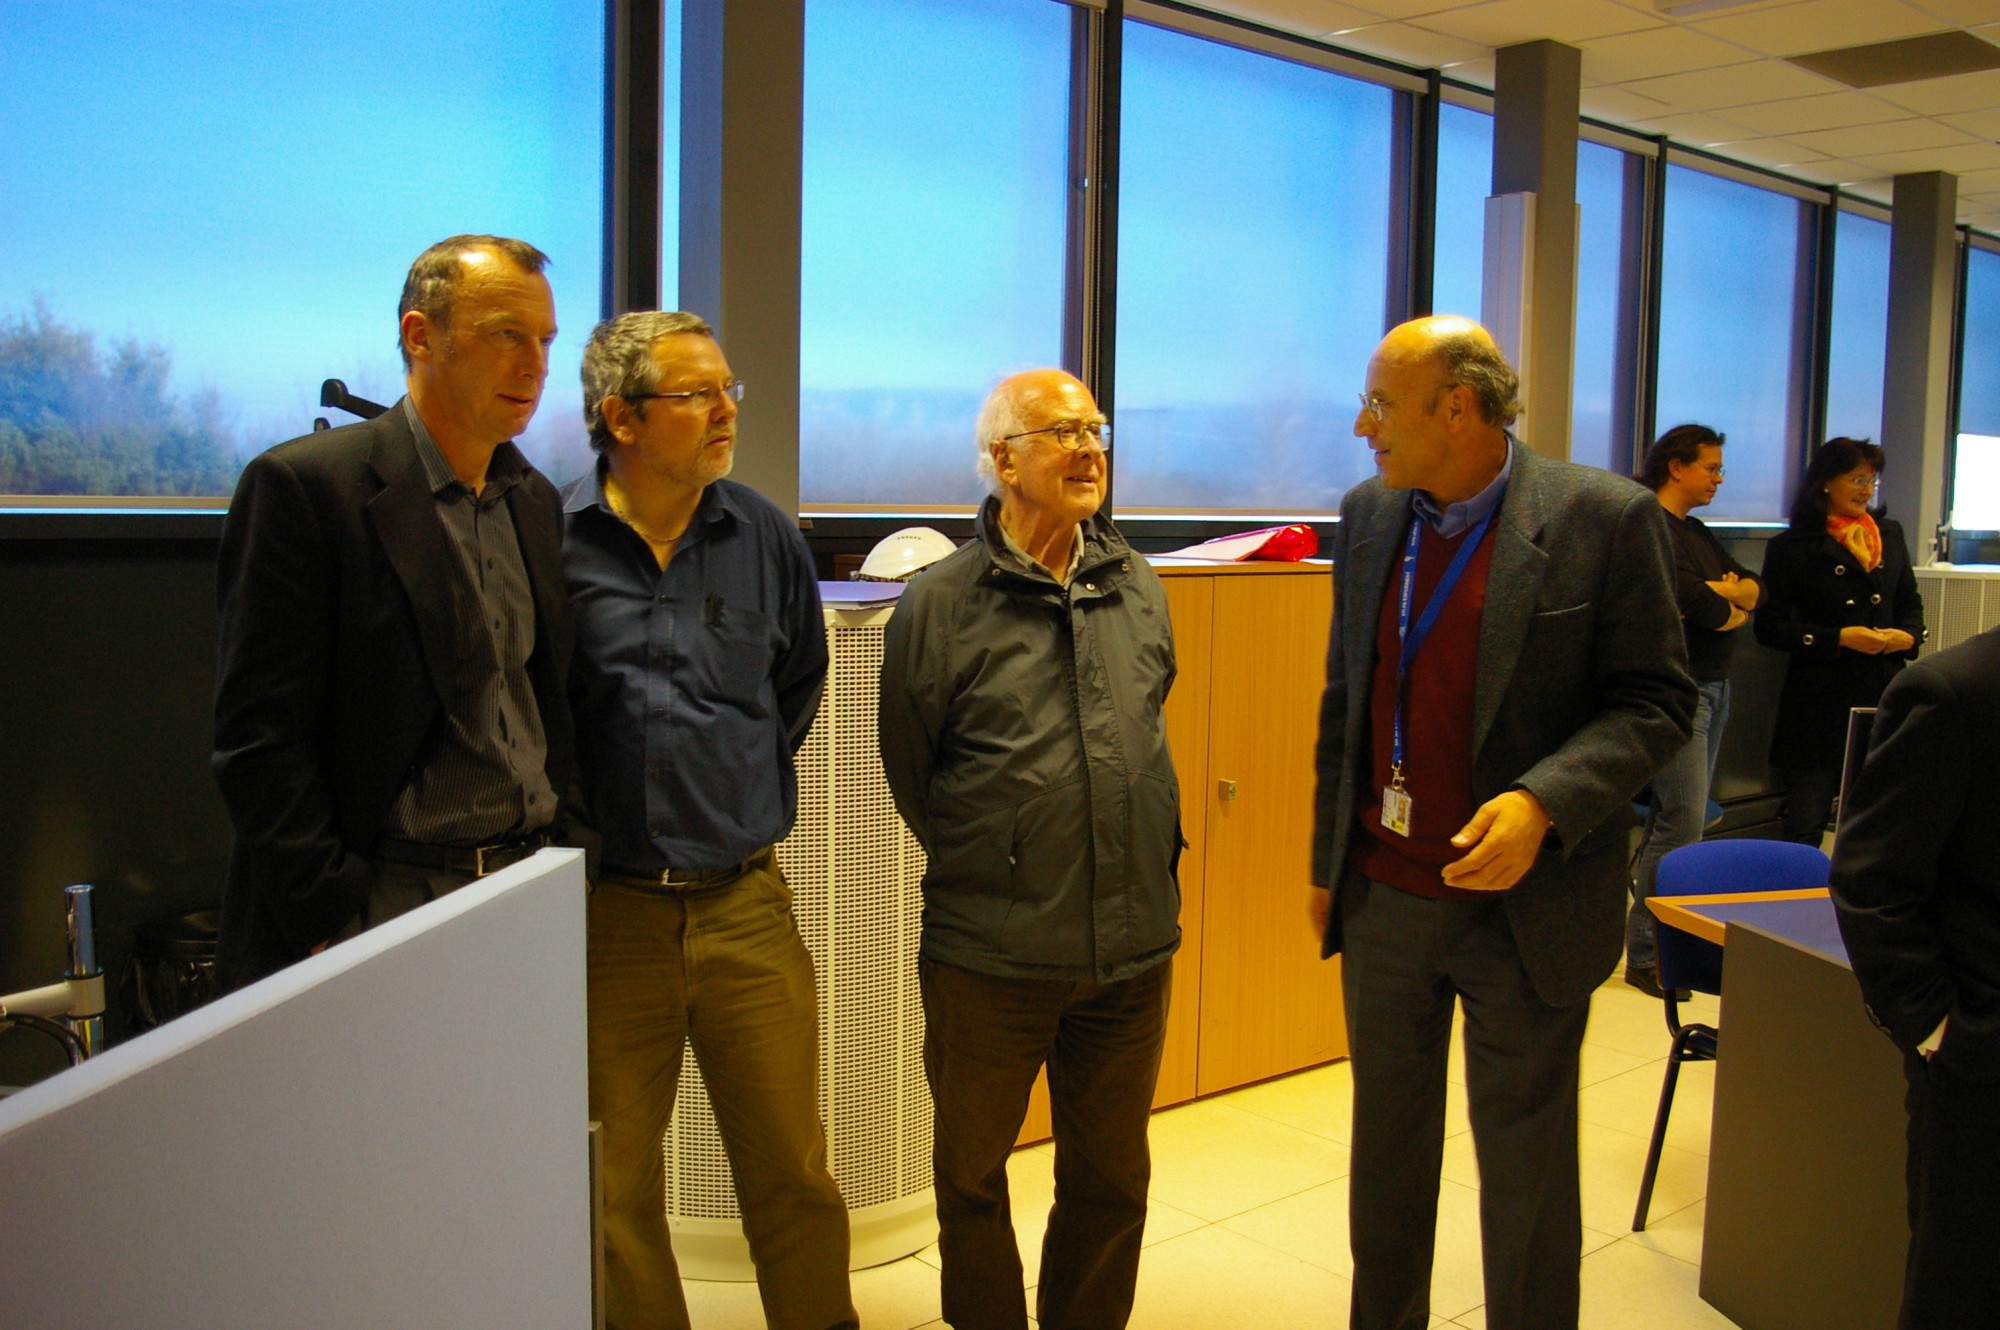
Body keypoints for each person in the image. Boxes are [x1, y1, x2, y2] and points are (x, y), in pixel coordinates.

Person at [1308, 316, 1694, 1330]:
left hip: (1527, 906)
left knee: (1523, 1175)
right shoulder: (1366, 514)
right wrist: (1325, 861)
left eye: (1382, 404)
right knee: (1384, 1158)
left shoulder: (1601, 520)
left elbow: (1656, 703)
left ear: (1458, 407)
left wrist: (1542, 801)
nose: (1362, 425)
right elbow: (1345, 699)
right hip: (1385, 893)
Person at [560, 311, 852, 1330]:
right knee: (608, 1193)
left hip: (744, 907)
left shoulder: (763, 533)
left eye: (728, 388)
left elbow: (793, 688)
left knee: (793, 1174)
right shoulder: (553, 544)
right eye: (695, 393)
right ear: (620, 418)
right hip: (607, 921)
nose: (725, 409)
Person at [879, 368, 1180, 1330]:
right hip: (989, 956)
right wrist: (1007, 859)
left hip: (1131, 951)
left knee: (1110, 1180)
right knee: (971, 1179)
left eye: (1097, 427)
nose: (1093, 448)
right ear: (1005, 460)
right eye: (1063, 432)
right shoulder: (939, 604)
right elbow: (913, 772)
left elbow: (1147, 724)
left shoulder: (1138, 583)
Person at [212, 234, 593, 991]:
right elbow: (258, 737)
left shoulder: (535, 501)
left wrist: (575, 854)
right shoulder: (307, 487)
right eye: (506, 335)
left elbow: (551, 701)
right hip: (387, 900)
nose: (536, 364)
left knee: (513, 1114)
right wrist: (329, 914)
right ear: (422, 336)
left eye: (545, 340)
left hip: (528, 890)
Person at [1829, 623, 2000, 1329]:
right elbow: (1873, 883)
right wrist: (1942, 1034)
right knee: (1964, 1284)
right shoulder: (1954, 692)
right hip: (1983, 1071)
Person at [1624, 424, 1759, 999]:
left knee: (1677, 819)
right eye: (1711, 467)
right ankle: (1648, 953)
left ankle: (1659, 940)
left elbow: (1753, 590)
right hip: (1677, 690)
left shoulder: (1696, 530)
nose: (1718, 479)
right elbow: (1700, 606)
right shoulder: (1648, 524)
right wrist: (1723, 596)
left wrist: (1730, 592)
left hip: (1715, 685)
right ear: (1676, 466)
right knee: (1684, 820)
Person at [1755, 438, 1925, 846]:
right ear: (1826, 483)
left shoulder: (1889, 534)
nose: (1867, 490)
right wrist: (1837, 639)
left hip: (1881, 691)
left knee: (1875, 822)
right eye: (1857, 479)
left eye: (1872, 481)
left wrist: (1908, 636)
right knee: (1806, 823)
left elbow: (1910, 603)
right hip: (1818, 700)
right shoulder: (1791, 547)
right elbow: (1770, 627)